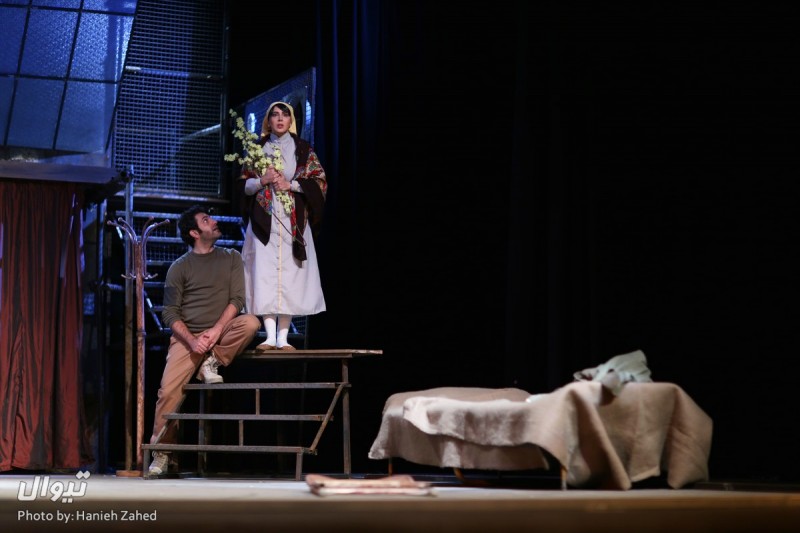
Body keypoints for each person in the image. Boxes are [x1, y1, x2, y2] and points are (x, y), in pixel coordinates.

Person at [147, 205, 261, 476]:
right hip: (187, 339)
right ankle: (162, 453)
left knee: (251, 323)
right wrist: (192, 340)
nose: (215, 222)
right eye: (207, 220)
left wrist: (217, 331)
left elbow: (237, 299)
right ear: (194, 233)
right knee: (168, 393)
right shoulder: (179, 267)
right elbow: (169, 313)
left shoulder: (231, 257)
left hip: (221, 331)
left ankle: (212, 361)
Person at [239, 101, 327, 351]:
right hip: (264, 219)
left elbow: (319, 181)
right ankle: (268, 336)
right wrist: (262, 180)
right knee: (264, 272)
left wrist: (292, 185)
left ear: (291, 121)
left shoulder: (303, 149)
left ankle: (283, 338)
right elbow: (243, 184)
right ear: (268, 120)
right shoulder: (257, 149)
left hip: (292, 218)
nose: (279, 119)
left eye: (284, 115)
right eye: (275, 115)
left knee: (289, 273)